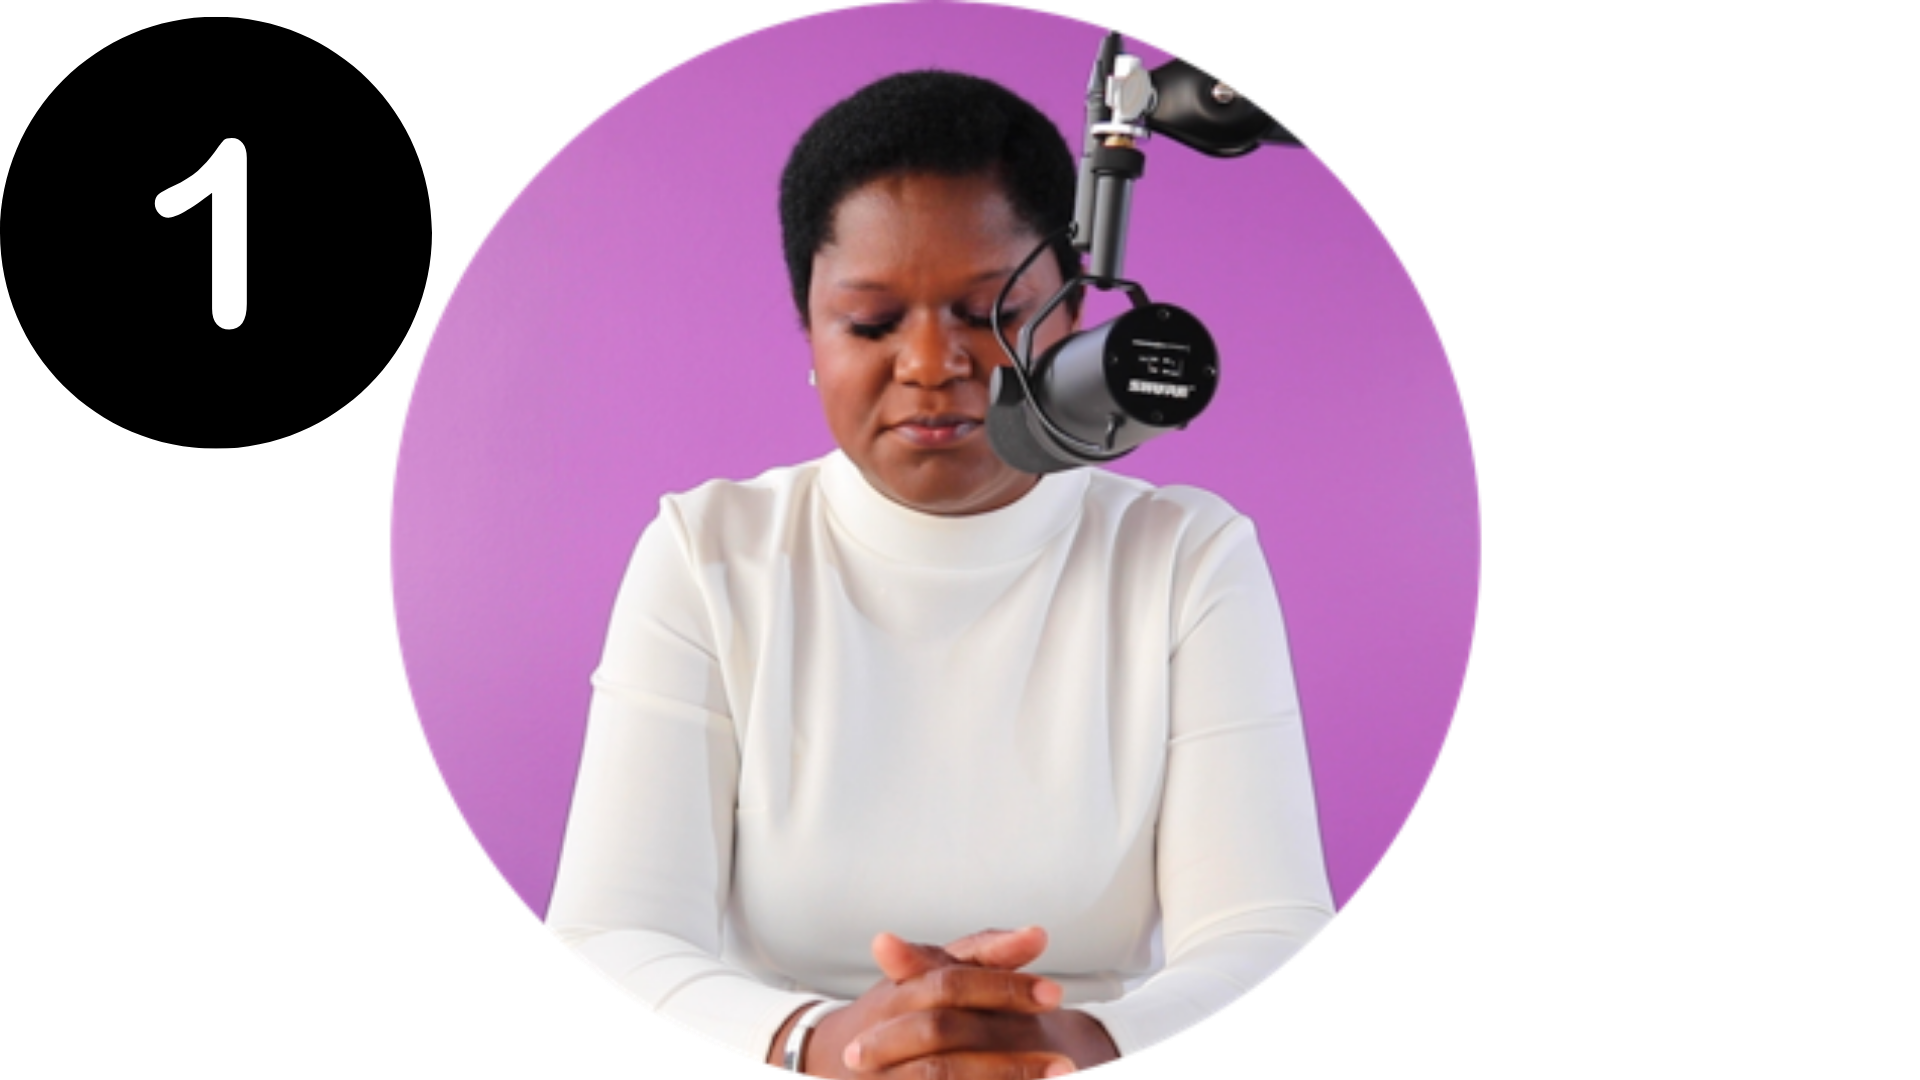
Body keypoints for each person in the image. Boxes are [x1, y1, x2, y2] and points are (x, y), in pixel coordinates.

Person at [543, 69, 1336, 1078]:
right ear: (810, 332)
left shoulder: (1186, 557)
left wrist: (1086, 1038)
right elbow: (605, 943)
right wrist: (823, 1042)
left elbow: (1273, 936)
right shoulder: (708, 553)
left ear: (1073, 317)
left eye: (985, 313)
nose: (930, 363)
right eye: (872, 324)